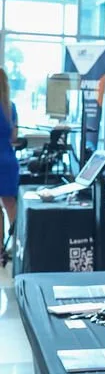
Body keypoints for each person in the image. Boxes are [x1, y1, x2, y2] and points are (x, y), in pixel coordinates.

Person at [0, 68, 19, 265]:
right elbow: (13, 138)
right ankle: (16, 243)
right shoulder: (10, 107)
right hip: (7, 160)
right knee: (10, 206)